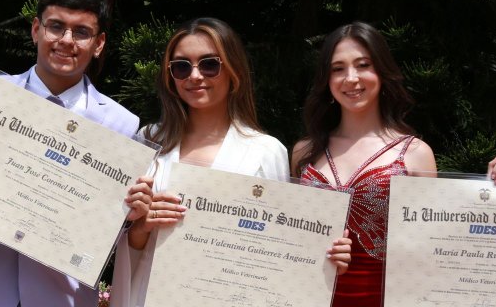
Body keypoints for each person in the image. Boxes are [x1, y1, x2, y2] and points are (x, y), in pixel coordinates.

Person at [109, 17, 353, 307]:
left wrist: (321, 256)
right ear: (170, 76)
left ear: (233, 70)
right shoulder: (148, 140)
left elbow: (277, 246)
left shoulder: (265, 151)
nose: (195, 76)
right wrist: (141, 228)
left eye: (210, 64)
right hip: (150, 295)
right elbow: (129, 242)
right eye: (181, 66)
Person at [0, 0, 150, 306]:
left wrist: (129, 215)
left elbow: (107, 227)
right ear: (36, 30)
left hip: (61, 291)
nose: (66, 40)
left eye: (81, 32)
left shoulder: (121, 124)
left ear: (98, 44)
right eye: (56, 26)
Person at [291, 21, 496, 307]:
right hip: (310, 297)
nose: (350, 78)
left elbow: (436, 242)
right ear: (326, 79)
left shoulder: (415, 153)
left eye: (363, 65)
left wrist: (491, 194)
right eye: (338, 69)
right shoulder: (304, 151)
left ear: (381, 71)